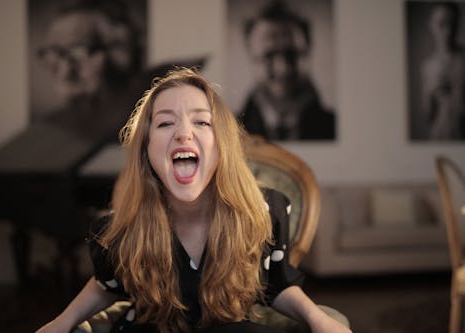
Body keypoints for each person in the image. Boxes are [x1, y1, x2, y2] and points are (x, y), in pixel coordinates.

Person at [35, 68, 350, 333]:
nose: (184, 133)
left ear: (221, 146)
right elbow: (105, 285)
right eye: (165, 122)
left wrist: (317, 318)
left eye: (201, 122)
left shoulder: (264, 213)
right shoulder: (123, 226)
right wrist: (63, 322)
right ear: (146, 150)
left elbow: (278, 286)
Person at [35, 0, 144, 142]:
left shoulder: (144, 126)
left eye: (78, 52)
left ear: (121, 53)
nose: (65, 71)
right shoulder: (50, 132)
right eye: (54, 54)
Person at [239, 1, 336, 141]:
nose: (282, 69)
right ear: (250, 57)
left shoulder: (333, 127)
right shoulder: (229, 132)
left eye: (292, 54)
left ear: (309, 54)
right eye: (269, 55)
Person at [420, 2, 465, 140]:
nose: (448, 31)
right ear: (431, 25)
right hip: (439, 137)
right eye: (441, 24)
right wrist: (430, 91)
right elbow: (427, 116)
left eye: (452, 23)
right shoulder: (428, 66)